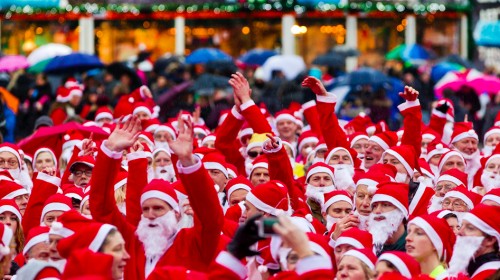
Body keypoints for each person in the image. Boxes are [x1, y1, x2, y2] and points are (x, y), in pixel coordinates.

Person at [90, 115, 224, 279]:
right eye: (145, 209)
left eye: (158, 208)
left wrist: (189, 163)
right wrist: (110, 150)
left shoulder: (192, 243)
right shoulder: (133, 242)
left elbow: (210, 218)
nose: (150, 214)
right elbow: (102, 210)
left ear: (176, 213)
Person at [368, 182, 409, 255]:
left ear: (401, 212)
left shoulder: (412, 247)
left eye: (385, 205)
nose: (377, 211)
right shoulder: (367, 246)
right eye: (374, 206)